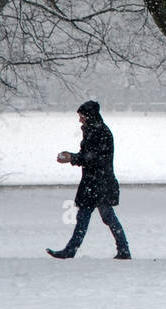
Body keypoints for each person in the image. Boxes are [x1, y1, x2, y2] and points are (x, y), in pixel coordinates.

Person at [48, 100, 130, 259]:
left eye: (81, 116)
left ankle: (72, 250)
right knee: (99, 217)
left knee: (94, 217)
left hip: (98, 183)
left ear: (89, 116)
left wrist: (72, 158)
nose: (80, 120)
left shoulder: (99, 132)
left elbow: (92, 158)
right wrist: (74, 157)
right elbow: (90, 156)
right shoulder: (95, 131)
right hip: (97, 182)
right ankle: (123, 249)